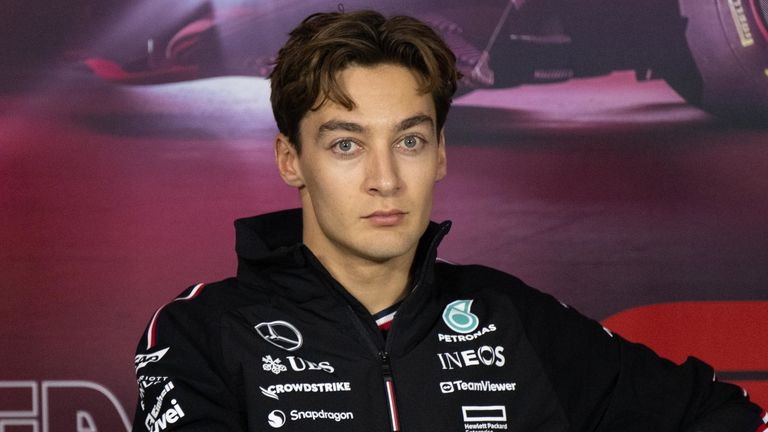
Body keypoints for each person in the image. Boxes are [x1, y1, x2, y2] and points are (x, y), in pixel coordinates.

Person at [131, 9, 768, 432]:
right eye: (346, 144)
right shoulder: (200, 334)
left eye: (408, 141)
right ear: (291, 159)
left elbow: (719, 418)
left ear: (440, 154)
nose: (385, 178)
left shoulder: (512, 317)